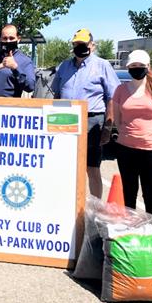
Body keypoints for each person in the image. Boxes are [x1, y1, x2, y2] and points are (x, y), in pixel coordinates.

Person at [51, 28, 120, 198]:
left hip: (92, 120)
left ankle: (95, 207)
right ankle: (68, 203)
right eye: (76, 44)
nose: (79, 47)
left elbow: (112, 97)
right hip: (65, 118)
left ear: (92, 45)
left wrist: (108, 127)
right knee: (66, 165)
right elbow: (57, 94)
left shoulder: (102, 65)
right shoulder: (64, 66)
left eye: (83, 44)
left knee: (92, 167)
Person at [113, 50, 152, 218]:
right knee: (129, 192)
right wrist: (127, 134)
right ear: (128, 68)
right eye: (133, 65)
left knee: (150, 192)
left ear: (148, 66)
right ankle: (129, 226)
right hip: (126, 148)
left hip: (151, 150)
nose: (137, 68)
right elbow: (117, 119)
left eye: (140, 65)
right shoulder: (121, 90)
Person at [0, 24, 36, 97]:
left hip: (8, 103)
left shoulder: (25, 61)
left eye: (11, 38)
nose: (8, 41)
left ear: (18, 39)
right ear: (1, 39)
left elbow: (30, 86)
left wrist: (15, 68)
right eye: (5, 38)